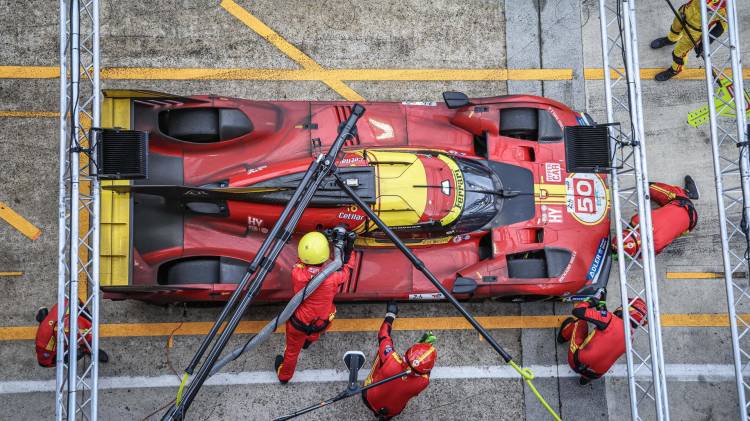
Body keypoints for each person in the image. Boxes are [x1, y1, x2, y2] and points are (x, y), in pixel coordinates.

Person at [275, 231, 355, 383]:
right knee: (321, 323)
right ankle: (308, 341)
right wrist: (350, 247)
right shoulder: (334, 277)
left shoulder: (297, 273)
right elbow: (348, 268)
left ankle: (284, 376)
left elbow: (301, 261)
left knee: (292, 352)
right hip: (322, 321)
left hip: (299, 324)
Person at [362, 302, 437, 420]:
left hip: (368, 397)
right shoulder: (423, 382)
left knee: (380, 355)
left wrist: (390, 315)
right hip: (392, 412)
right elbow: (426, 371)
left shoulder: (391, 359)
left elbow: (383, 335)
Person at [557, 296, 647, 385]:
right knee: (604, 355)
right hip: (595, 375)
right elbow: (611, 329)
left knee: (580, 322)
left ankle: (562, 337)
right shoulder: (630, 340)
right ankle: (584, 381)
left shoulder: (609, 319)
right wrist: (601, 304)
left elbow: (577, 311)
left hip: (576, 362)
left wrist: (590, 301)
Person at [620, 176, 699, 257]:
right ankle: (687, 193)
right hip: (684, 204)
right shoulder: (637, 220)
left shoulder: (653, 250)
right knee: (647, 187)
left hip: (691, 224)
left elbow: (651, 253)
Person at [650, 0, 727, 81]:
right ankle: (671, 39)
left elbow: (721, 27)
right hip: (683, 14)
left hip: (694, 32)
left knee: (679, 54)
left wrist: (704, 43)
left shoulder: (726, 7)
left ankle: (675, 70)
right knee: (674, 29)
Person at [35, 302, 109, 368]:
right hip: (51, 340)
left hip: (55, 324)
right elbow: (44, 363)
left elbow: (78, 302)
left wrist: (87, 315)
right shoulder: (44, 345)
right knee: (47, 363)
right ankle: (84, 350)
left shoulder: (66, 305)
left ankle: (44, 319)